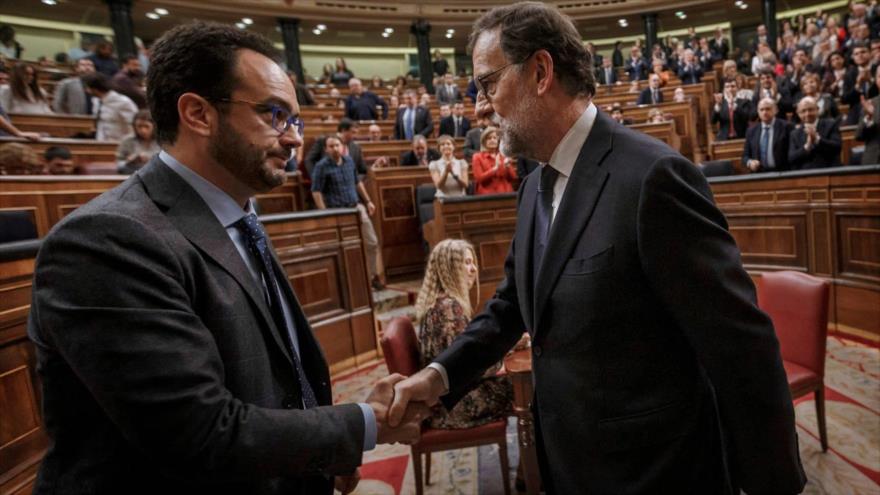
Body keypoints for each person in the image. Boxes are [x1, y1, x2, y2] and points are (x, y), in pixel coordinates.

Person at [386, 3, 806, 494]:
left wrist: (772, 483)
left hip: (655, 472)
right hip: (568, 464)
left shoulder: (653, 179)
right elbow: (512, 306)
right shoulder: (531, 188)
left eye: (486, 84)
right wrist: (437, 377)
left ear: (541, 72)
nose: (478, 106)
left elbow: (741, 347)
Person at [27, 21, 426, 494]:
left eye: (295, 121)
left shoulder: (238, 215)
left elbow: (270, 373)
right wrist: (359, 425)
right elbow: (197, 432)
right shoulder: (107, 240)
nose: (295, 139)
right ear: (198, 113)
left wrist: (322, 454)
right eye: (275, 115)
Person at [416, 239, 513, 430]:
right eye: (466, 263)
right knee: (525, 388)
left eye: (473, 262)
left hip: (447, 399)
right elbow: (467, 367)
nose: (474, 269)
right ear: (449, 269)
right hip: (453, 406)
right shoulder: (448, 309)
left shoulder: (441, 304)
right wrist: (505, 349)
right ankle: (533, 457)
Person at [311, 135, 385, 290]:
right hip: (337, 211)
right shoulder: (321, 166)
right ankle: (349, 283)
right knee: (345, 248)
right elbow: (316, 191)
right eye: (331, 146)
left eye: (337, 145)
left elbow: (357, 182)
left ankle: (371, 276)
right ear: (326, 149)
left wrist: (368, 201)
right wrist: (323, 213)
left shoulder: (349, 161)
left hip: (356, 207)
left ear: (342, 146)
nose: (335, 148)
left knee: (372, 242)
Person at [788, 96, 842, 169]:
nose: (807, 114)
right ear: (798, 114)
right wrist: (806, 147)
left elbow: (837, 147)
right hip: (806, 175)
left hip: (830, 171)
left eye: (810, 110)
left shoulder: (831, 124)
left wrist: (817, 139)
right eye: (803, 111)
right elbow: (791, 158)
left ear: (817, 110)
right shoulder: (794, 133)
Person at [83, 72, 138, 141]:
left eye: (88, 87)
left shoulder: (123, 102)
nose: (86, 90)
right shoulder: (96, 101)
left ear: (95, 89)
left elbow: (133, 126)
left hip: (118, 143)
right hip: (100, 142)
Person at [743, 98, 794, 172]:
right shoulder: (751, 131)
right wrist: (750, 162)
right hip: (759, 174)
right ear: (758, 111)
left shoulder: (787, 127)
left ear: (776, 110)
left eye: (768, 109)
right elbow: (745, 156)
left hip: (782, 173)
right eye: (762, 110)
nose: (764, 112)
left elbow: (792, 153)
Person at [471, 126, 517, 194]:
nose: (492, 140)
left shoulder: (503, 156)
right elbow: (479, 179)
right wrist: (495, 168)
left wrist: (507, 167)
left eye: (495, 138)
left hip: (506, 193)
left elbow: (513, 177)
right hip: (487, 195)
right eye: (489, 138)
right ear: (484, 141)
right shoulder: (477, 157)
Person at [116, 109, 160, 174]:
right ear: (134, 126)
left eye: (146, 126)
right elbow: (119, 165)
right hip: (132, 175)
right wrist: (129, 161)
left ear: (154, 126)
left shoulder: (163, 141)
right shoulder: (127, 141)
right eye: (139, 126)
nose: (143, 130)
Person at [857, 71, 880, 164]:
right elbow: (859, 135)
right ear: (876, 81)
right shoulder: (870, 104)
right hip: (875, 160)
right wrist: (869, 118)